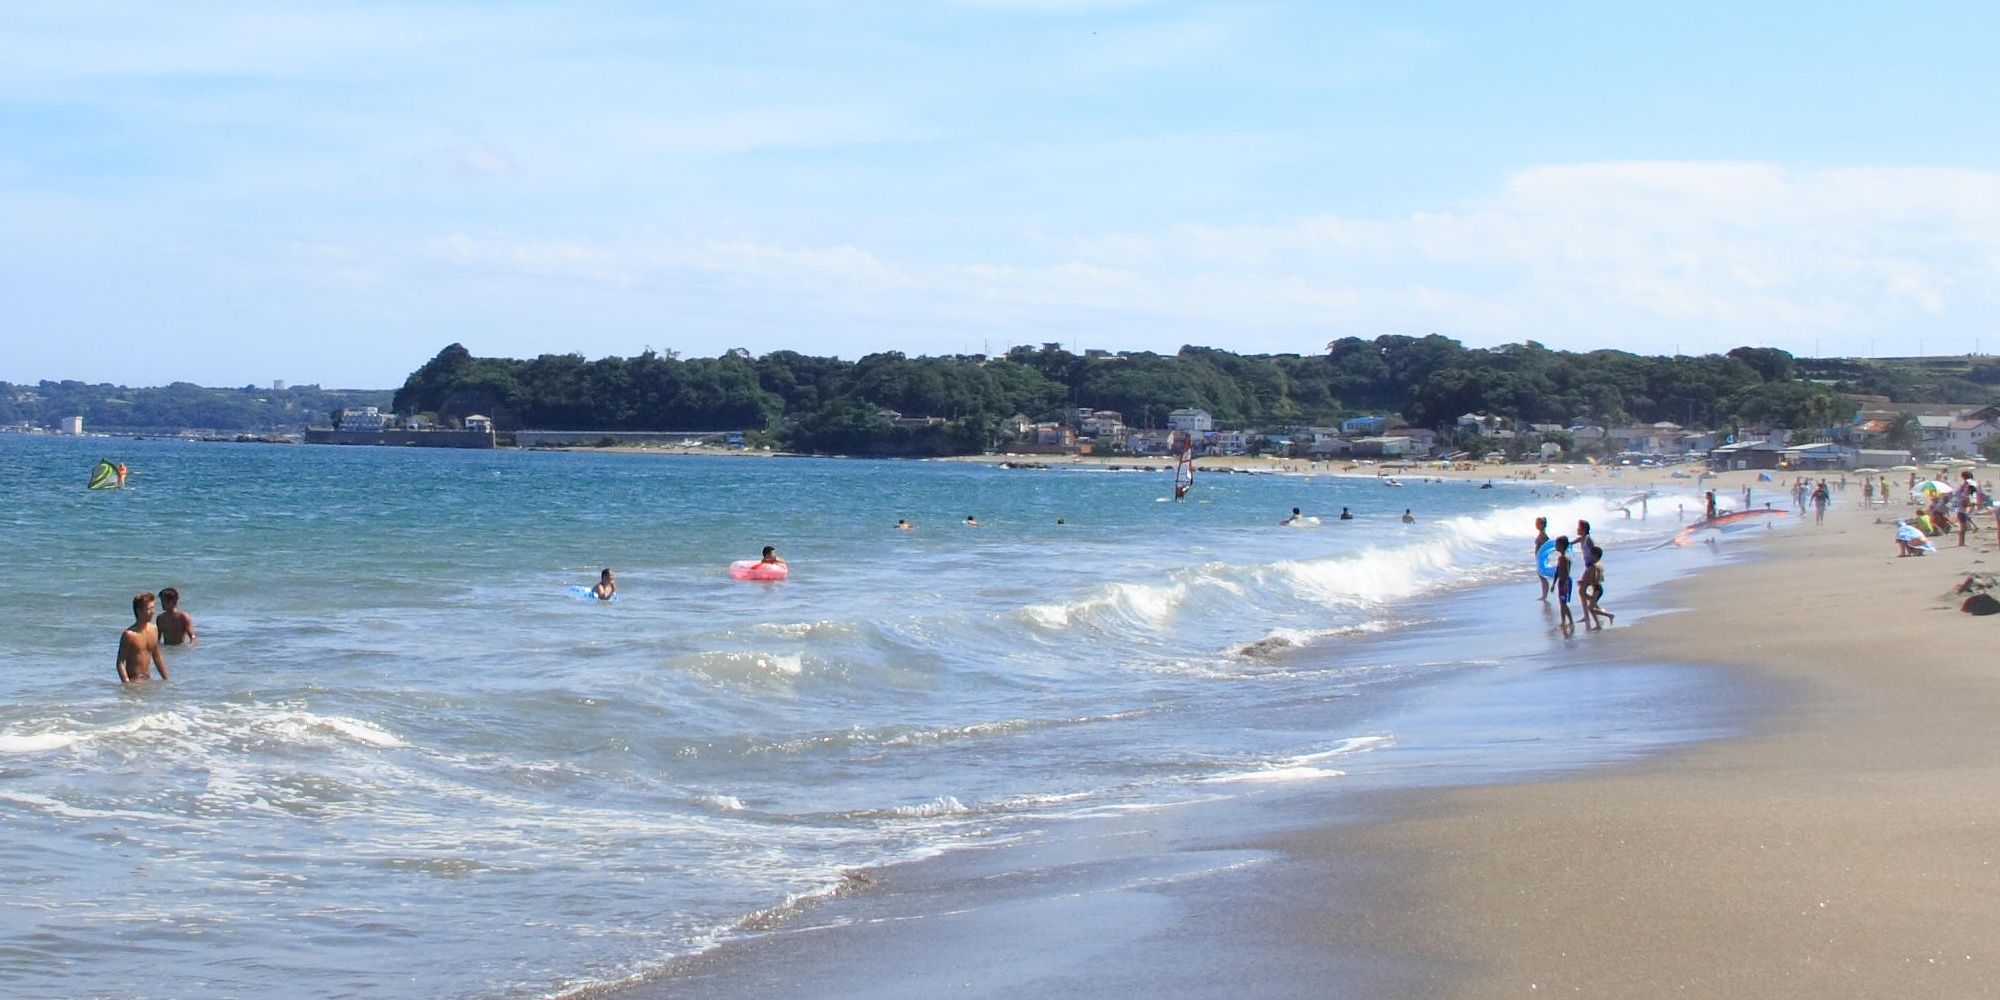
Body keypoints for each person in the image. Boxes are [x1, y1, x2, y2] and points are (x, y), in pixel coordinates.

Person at [116, 592, 168, 684]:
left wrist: (166, 679)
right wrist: (127, 684)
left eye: (153, 608)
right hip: (134, 682)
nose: (153, 612)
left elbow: (157, 657)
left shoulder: (154, 629)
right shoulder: (129, 635)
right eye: (149, 609)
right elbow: (120, 663)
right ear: (139, 611)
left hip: (148, 680)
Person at [1581, 544, 1614, 628]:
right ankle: (1598, 624)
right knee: (1589, 603)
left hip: (1597, 589)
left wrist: (1585, 582)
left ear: (1595, 555)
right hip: (1598, 588)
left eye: (1591, 554)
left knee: (1591, 608)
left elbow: (1595, 579)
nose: (1589, 556)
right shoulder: (1600, 565)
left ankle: (1609, 615)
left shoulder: (1594, 566)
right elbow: (1601, 579)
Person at [1552, 537, 1575, 634]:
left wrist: (1565, 584)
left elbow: (1566, 572)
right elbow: (1557, 571)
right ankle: (1564, 621)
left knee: (1563, 603)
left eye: (1557, 544)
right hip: (1561, 582)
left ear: (1561, 546)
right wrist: (1553, 583)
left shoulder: (1565, 558)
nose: (1555, 546)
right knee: (1561, 603)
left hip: (1565, 582)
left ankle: (1569, 620)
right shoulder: (1560, 558)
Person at [1533, 516, 1551, 601]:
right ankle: (1544, 595)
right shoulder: (1541, 533)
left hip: (1542, 558)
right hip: (1540, 557)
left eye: (1537, 523)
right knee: (1541, 576)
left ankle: (1544, 595)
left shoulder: (1543, 535)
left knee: (1542, 576)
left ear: (1542, 525)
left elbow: (1546, 545)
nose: (1536, 525)